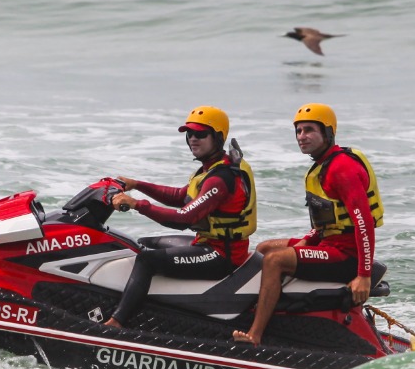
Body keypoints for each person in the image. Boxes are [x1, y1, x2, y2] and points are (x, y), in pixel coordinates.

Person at [232, 103, 384, 345]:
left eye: (309, 130)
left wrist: (363, 275)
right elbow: (330, 216)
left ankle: (255, 334)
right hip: (328, 244)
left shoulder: (342, 168)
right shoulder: (324, 164)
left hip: (346, 255)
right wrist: (310, 238)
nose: (302, 137)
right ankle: (271, 312)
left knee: (275, 260)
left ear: (328, 132)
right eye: (299, 131)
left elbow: (363, 222)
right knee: (265, 249)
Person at [103, 106, 256, 329]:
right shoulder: (208, 170)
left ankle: (117, 322)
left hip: (223, 255)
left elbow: (183, 218)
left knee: (147, 261)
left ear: (218, 137)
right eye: (189, 134)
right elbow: (178, 196)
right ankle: (145, 307)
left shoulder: (220, 178)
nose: (193, 139)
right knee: (142, 244)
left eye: (201, 134)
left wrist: (137, 205)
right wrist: (137, 185)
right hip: (208, 244)